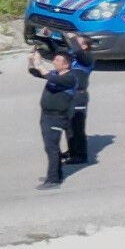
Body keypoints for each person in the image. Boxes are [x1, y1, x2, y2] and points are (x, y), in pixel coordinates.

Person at [31, 49, 88, 188]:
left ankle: (53, 179)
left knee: (52, 148)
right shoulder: (56, 74)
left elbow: (51, 77)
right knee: (49, 147)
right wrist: (31, 61)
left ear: (66, 65)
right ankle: (55, 173)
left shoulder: (70, 77)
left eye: (57, 60)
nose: (54, 62)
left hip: (57, 117)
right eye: (54, 59)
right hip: (46, 115)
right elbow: (34, 72)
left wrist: (40, 64)